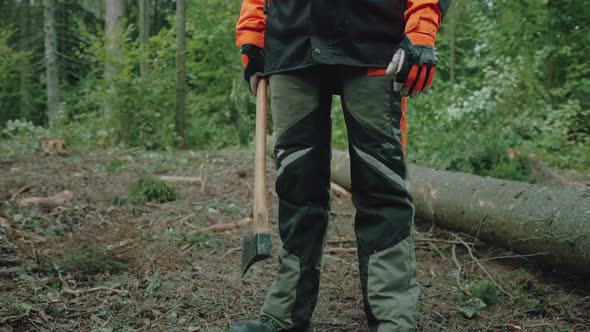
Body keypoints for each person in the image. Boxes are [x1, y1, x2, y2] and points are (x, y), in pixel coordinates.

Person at [231, 1, 450, 331]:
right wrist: (253, 32)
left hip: (376, 36)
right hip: (292, 40)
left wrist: (421, 27)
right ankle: (285, 313)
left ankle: (393, 318)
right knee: (296, 182)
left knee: (382, 184)